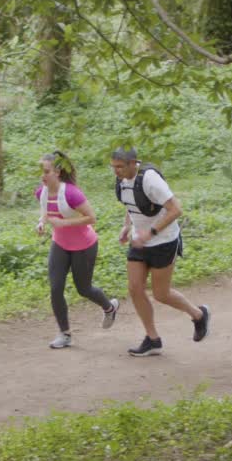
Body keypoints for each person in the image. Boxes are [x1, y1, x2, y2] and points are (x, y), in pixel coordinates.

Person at [110, 147, 210, 357]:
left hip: (164, 241)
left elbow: (176, 209)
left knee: (161, 294)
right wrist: (127, 226)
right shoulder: (122, 180)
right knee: (135, 288)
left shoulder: (150, 179)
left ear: (132, 163)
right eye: (113, 167)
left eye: (119, 167)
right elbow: (131, 204)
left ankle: (198, 315)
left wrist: (152, 232)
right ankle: (152, 339)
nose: (116, 171)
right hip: (140, 241)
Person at [35, 151, 120, 349]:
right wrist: (41, 223)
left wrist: (63, 223)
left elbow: (92, 218)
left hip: (84, 246)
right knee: (56, 289)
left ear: (57, 172)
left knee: (84, 289)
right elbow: (47, 213)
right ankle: (65, 334)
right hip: (60, 244)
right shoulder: (42, 192)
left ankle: (109, 307)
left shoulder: (72, 193)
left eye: (46, 171)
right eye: (41, 171)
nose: (42, 175)